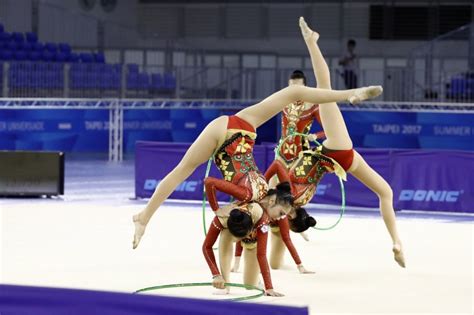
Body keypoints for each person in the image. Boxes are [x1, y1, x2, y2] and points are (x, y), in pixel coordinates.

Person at [132, 27, 383, 249]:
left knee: (181, 171)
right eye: (281, 212)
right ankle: (351, 93)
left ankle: (144, 217)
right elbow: (272, 185)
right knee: (293, 91)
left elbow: (211, 183)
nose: (276, 216)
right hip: (243, 131)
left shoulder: (250, 198)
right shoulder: (264, 191)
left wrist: (219, 210)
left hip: (225, 138)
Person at [269, 17, 405, 267]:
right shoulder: (291, 195)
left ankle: (398, 242)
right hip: (331, 152)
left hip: (335, 155)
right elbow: (281, 179)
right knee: (324, 88)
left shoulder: (300, 198)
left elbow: (284, 184)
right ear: (290, 215)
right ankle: (315, 47)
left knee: (385, 191)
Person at [203, 182, 294, 297]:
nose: (281, 218)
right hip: (233, 227)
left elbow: (261, 254)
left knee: (250, 286)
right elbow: (206, 246)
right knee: (225, 235)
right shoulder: (223, 217)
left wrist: (269, 287)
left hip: (253, 239)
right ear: (271, 201)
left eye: (283, 215)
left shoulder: (263, 222)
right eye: (281, 213)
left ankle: (256, 280)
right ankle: (225, 283)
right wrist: (216, 275)